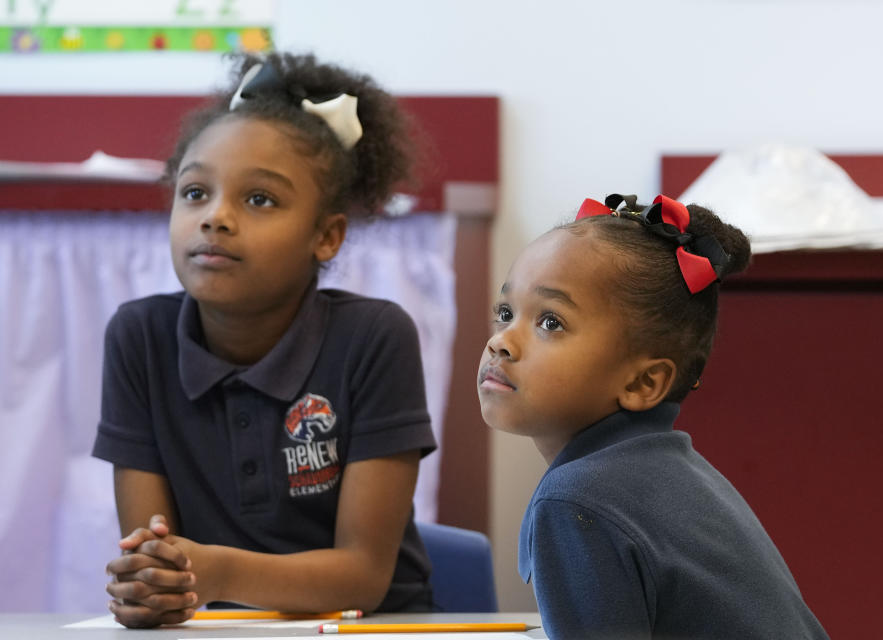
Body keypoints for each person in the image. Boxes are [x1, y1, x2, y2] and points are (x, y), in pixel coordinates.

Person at [92, 52, 437, 628]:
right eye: (195, 192)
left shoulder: (375, 337)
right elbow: (155, 555)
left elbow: (363, 576)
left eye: (259, 199)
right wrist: (151, 584)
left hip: (371, 626)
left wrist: (215, 573)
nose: (215, 218)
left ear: (326, 236)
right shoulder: (138, 338)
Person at [477, 194, 828, 639]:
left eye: (551, 322)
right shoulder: (672, 473)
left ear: (644, 383)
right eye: (505, 313)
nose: (501, 342)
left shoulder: (578, 500)